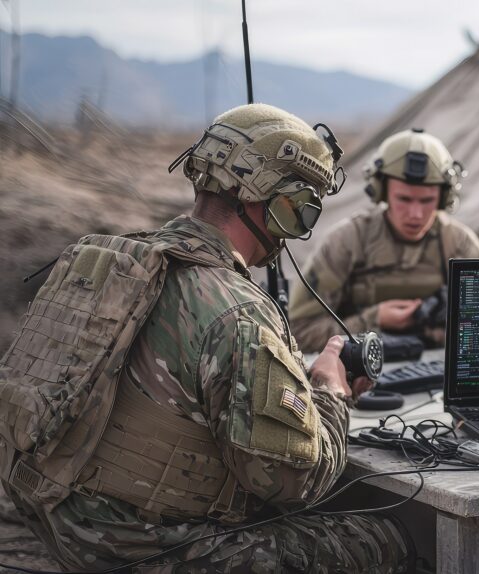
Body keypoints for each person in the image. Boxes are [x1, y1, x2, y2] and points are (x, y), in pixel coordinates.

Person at [0, 104, 413, 572]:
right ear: (281, 204)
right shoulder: (239, 313)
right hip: (140, 548)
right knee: (383, 535)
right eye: (305, 209)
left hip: (56, 518)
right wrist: (332, 393)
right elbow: (291, 483)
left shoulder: (120, 263)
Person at [290, 128, 479, 352]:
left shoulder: (458, 243)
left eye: (427, 201)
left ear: (444, 198)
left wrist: (433, 331)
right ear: (381, 192)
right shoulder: (347, 242)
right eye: (404, 198)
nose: (415, 214)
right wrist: (373, 320)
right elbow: (299, 332)